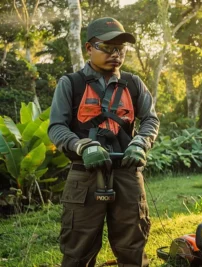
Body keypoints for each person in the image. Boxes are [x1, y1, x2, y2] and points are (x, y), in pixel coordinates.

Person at [48, 17, 159, 267]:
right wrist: (83, 145)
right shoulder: (71, 84)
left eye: (120, 49)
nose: (115, 54)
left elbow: (150, 119)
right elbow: (56, 127)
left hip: (127, 174)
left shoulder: (133, 84)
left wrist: (141, 142)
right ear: (89, 48)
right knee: (78, 250)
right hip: (84, 176)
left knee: (133, 247)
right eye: (107, 48)